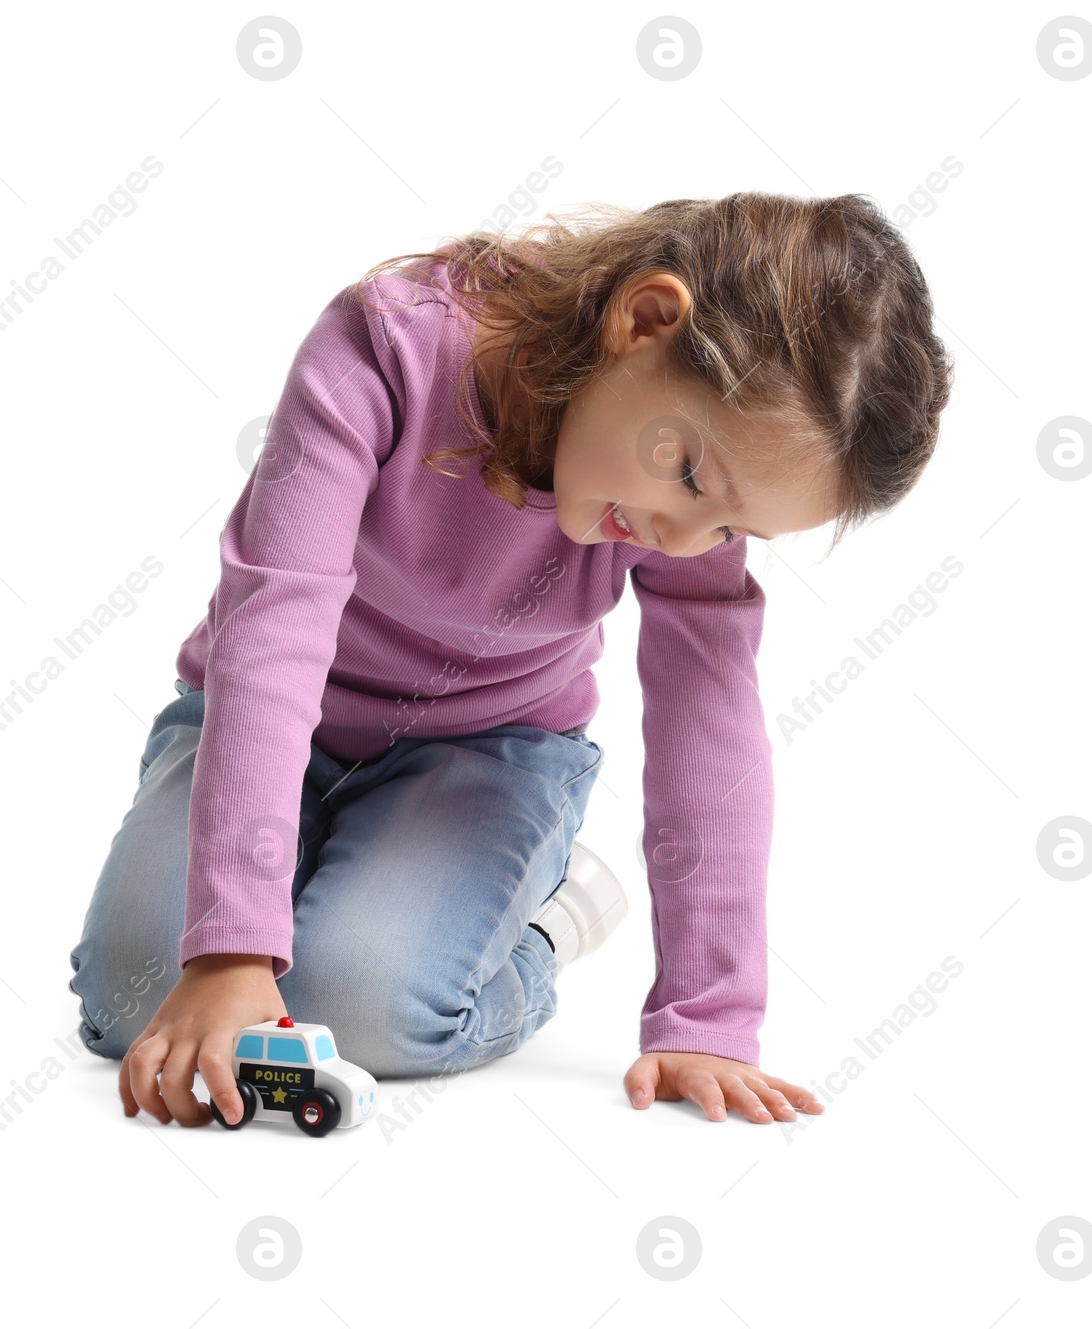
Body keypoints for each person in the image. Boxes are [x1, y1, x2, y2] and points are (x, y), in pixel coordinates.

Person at [67, 192, 954, 1128]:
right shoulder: (387, 350)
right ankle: (295, 890)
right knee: (134, 1003)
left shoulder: (680, 507)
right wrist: (230, 951)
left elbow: (712, 725)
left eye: (730, 523)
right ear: (645, 321)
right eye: (691, 477)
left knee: (361, 1002)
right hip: (260, 717)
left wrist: (708, 1014)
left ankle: (547, 925)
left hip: (484, 754)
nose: (686, 535)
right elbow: (273, 628)